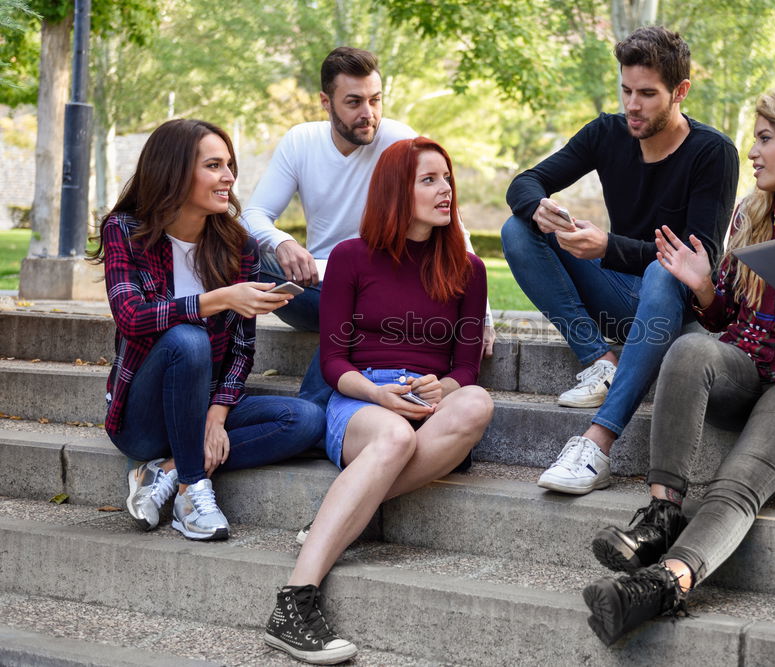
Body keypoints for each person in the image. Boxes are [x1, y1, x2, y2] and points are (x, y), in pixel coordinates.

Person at [581, 87, 775, 645]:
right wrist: (703, 284)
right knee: (690, 347)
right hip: (749, 363)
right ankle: (660, 516)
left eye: (765, 139)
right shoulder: (753, 212)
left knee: (737, 483)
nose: (752, 152)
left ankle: (657, 587)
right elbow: (725, 314)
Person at [263, 137, 493, 664]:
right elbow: (333, 363)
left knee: (478, 402)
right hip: (362, 399)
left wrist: (445, 388)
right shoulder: (349, 258)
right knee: (390, 436)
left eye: (447, 178)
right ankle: (294, 603)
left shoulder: (468, 269)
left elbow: (464, 366)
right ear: (396, 190)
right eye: (429, 180)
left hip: (430, 402)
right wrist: (376, 393)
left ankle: (335, 514)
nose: (446, 190)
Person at [501, 26, 738, 496]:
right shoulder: (606, 133)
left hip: (677, 310)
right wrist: (538, 208)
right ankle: (600, 360)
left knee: (664, 267)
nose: (633, 105)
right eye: (626, 90)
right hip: (618, 296)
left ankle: (597, 444)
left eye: (648, 94)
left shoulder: (713, 153)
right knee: (518, 228)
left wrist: (608, 247)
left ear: (680, 92)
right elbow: (524, 182)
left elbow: (698, 259)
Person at [88, 119, 326, 541]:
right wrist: (219, 298)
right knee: (187, 338)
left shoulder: (239, 246)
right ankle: (192, 490)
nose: (229, 177)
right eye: (214, 165)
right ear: (175, 171)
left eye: (229, 165)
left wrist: (216, 417)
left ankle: (169, 469)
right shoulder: (125, 230)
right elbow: (131, 317)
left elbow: (241, 351)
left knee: (305, 419)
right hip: (141, 420)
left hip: (203, 406)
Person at [242, 46, 493, 407]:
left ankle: (312, 413)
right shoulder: (301, 142)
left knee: (358, 307)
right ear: (326, 103)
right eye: (354, 102)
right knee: (245, 253)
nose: (368, 114)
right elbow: (253, 215)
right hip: (316, 287)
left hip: (382, 292)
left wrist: (479, 313)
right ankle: (226, 376)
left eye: (376, 100)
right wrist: (281, 241)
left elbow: (451, 221)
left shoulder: (400, 141)